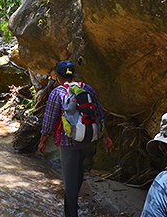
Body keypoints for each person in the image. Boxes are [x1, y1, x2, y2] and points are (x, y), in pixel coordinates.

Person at [38, 60, 115, 217]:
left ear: (58, 76)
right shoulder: (87, 89)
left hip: (69, 142)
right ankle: (74, 206)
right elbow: (100, 114)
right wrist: (106, 136)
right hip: (88, 139)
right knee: (78, 170)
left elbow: (49, 120)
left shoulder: (57, 93)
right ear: (73, 75)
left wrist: (43, 140)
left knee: (70, 180)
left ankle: (71, 214)